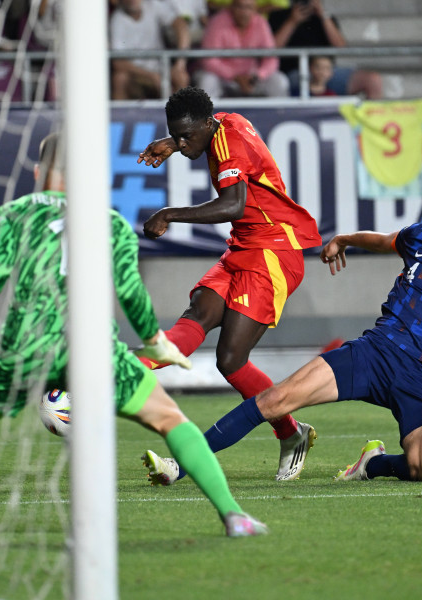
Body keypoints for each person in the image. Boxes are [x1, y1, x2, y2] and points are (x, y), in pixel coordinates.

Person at [0, 132, 267, 546]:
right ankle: (233, 515)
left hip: (23, 348)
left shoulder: (14, 214)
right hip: (92, 351)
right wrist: (154, 339)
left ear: (40, 170)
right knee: (170, 420)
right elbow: (131, 291)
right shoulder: (111, 223)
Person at [142, 176, 422, 486]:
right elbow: (383, 241)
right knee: (275, 400)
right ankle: (181, 465)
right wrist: (343, 239)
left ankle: (373, 463)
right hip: (378, 354)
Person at [136, 86, 322, 482]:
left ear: (206, 124)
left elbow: (233, 205)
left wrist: (169, 213)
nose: (184, 144)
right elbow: (209, 132)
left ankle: (291, 434)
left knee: (230, 359)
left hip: (274, 252)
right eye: (177, 134)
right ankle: (127, 371)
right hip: (244, 247)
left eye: (188, 135)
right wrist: (174, 142)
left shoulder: (229, 143)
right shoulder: (223, 123)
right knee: (197, 313)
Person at [268, 0, 383, 98]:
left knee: (372, 80)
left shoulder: (326, 18)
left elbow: (341, 47)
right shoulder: (277, 16)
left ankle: (374, 121)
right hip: (294, 74)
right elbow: (272, 50)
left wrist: (323, 16)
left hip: (327, 73)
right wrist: (292, 21)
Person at [193, 0, 289, 98]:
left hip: (251, 78)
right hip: (223, 78)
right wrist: (234, 76)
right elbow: (209, 60)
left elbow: (271, 59)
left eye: (249, 8)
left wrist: (257, 76)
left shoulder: (260, 22)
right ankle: (207, 114)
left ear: (255, 9)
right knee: (207, 80)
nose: (244, 12)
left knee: (279, 81)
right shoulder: (217, 21)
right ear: (232, 8)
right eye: (240, 7)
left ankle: (280, 113)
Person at [109, 0, 191, 100]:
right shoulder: (116, 20)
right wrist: (151, 76)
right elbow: (118, 63)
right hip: (136, 75)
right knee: (120, 79)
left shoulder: (153, 5)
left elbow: (181, 25)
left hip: (161, 69)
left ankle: (181, 114)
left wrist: (180, 63)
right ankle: (120, 115)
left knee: (181, 76)